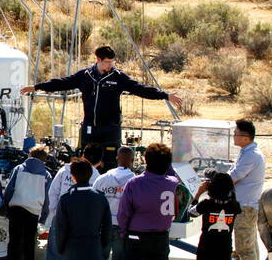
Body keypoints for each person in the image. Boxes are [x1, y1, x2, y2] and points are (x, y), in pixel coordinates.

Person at [21, 45, 184, 172]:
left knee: (111, 163)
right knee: (87, 162)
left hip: (110, 128)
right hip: (90, 127)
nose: (110, 66)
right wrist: (37, 87)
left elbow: (140, 89)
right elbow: (62, 82)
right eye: (107, 62)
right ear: (98, 59)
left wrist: (165, 95)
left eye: (112, 63)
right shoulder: (85, 76)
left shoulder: (118, 77)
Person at [114, 142, 180, 260]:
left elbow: (123, 213)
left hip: (136, 237)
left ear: (146, 161)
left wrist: (124, 232)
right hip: (161, 236)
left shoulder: (135, 183)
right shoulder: (172, 183)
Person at [37, 143, 105, 260]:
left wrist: (53, 215)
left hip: (60, 221)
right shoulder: (95, 175)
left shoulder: (64, 170)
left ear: (83, 155)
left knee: (52, 259)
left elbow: (52, 193)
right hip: (81, 225)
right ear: (98, 162)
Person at [92, 145, 138, 260]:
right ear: (132, 161)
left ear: (117, 158)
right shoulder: (134, 181)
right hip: (123, 227)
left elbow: (94, 201)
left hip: (103, 226)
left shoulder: (103, 179)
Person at [2, 145, 51, 260]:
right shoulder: (46, 175)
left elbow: (9, 188)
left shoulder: (19, 169)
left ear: (30, 155)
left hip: (17, 207)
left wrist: (7, 207)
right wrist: (43, 216)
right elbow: (47, 198)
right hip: (33, 210)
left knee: (14, 243)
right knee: (29, 245)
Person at [226, 119, 266, 260]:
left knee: (245, 247)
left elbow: (235, 176)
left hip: (246, 207)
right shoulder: (246, 152)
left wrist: (218, 181)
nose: (233, 137)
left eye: (235, 134)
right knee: (250, 244)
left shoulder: (251, 155)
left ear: (245, 137)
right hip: (244, 205)